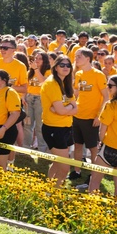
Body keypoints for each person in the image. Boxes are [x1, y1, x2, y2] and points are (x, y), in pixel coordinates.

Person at [69, 48, 109, 181]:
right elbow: (76, 94)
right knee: (78, 145)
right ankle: (77, 170)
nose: (76, 58)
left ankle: (94, 174)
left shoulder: (98, 74)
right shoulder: (79, 74)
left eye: (79, 56)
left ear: (88, 59)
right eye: (75, 56)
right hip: (77, 115)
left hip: (92, 118)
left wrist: (99, 116)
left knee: (92, 148)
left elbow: (106, 97)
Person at [41, 55, 78, 186]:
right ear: (55, 67)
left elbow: (75, 108)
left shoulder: (65, 83)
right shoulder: (52, 83)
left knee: (57, 162)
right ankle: (56, 191)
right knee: (65, 166)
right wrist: (68, 108)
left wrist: (64, 109)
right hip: (53, 128)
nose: (65, 67)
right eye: (62, 65)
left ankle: (49, 190)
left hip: (66, 127)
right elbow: (67, 109)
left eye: (68, 65)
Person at [27, 49, 51, 152]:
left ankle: (42, 149)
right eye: (36, 58)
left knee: (39, 126)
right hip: (29, 98)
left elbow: (44, 82)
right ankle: (26, 147)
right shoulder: (30, 71)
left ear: (45, 60)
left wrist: (36, 69)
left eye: (40, 58)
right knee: (28, 124)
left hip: (40, 99)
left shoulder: (49, 72)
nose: (37, 60)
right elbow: (27, 85)